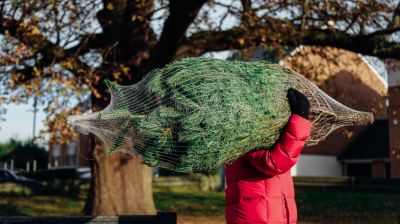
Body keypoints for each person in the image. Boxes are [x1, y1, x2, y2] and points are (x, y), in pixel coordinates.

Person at [225, 88, 313, 224]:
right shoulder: (245, 132)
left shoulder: (264, 132)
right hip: (259, 216)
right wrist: (300, 120)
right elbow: (275, 162)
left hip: (271, 213)